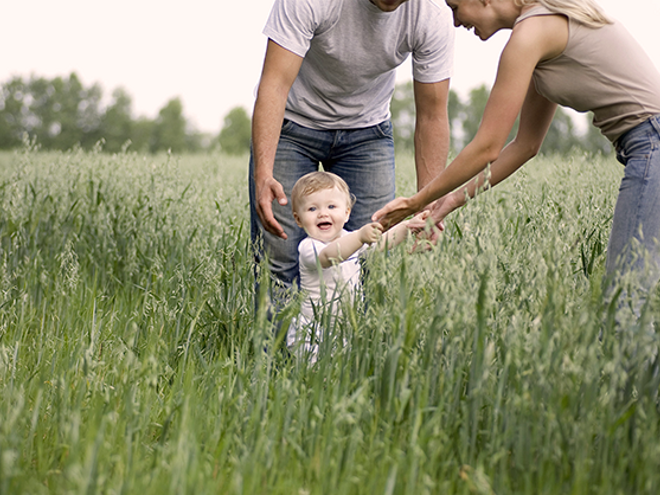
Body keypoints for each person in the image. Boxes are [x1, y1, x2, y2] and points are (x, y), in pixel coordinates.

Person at [373, 0, 660, 313]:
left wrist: (416, 202)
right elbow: (525, 145)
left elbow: (487, 146)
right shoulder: (539, 36)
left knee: (626, 301)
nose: (455, 22)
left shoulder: (530, 34)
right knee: (630, 297)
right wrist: (451, 201)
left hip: (652, 143)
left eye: (455, 7)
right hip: (645, 146)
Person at [249, 0, 455, 311]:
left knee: (372, 262)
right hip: (293, 124)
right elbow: (274, 84)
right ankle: (277, 358)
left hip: (367, 133)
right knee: (281, 261)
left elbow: (432, 115)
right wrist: (264, 173)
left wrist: (428, 204)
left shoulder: (431, 15)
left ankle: (354, 357)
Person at [287, 171, 426, 361]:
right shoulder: (309, 247)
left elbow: (381, 243)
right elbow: (330, 255)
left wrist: (408, 227)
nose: (323, 213)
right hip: (314, 331)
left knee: (343, 371)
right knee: (317, 377)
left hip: (346, 328)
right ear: (298, 219)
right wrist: (360, 237)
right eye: (312, 209)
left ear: (346, 213)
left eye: (331, 206)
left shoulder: (348, 238)